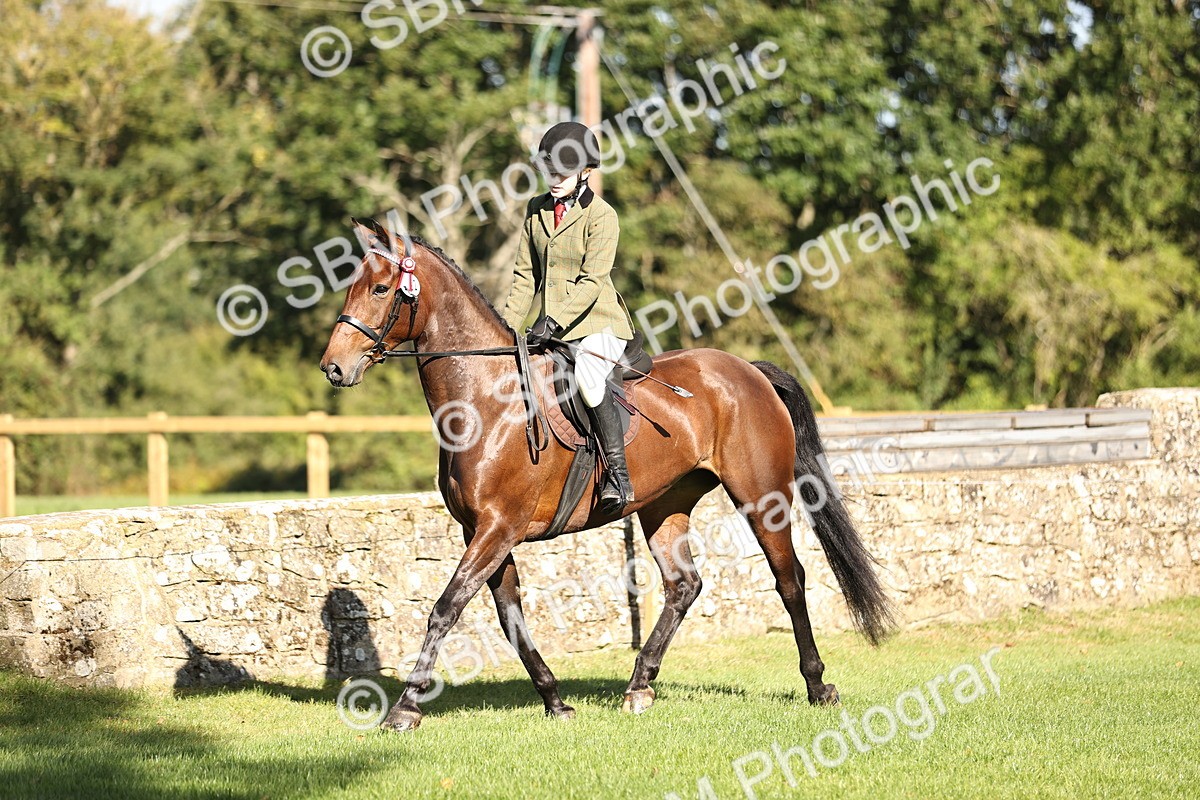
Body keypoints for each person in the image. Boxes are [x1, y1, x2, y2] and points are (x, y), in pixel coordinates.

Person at [501, 121, 636, 515]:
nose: (554, 179)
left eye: (563, 172)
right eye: (550, 170)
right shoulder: (535, 210)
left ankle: (617, 475)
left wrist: (554, 320)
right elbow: (525, 277)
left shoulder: (602, 216)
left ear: (585, 173)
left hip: (599, 323)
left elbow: (593, 281)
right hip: (552, 328)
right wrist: (506, 329)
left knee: (588, 377)